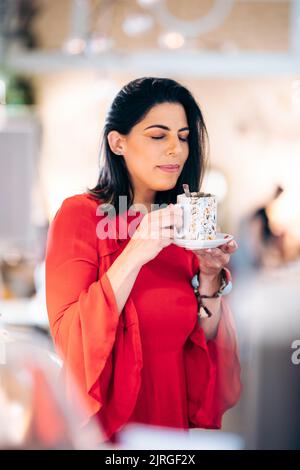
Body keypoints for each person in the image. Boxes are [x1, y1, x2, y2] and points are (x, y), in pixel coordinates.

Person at [45, 77, 242, 444]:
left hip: (168, 431)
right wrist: (136, 250)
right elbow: (72, 342)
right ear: (118, 142)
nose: (176, 150)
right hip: (102, 434)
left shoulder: (180, 226)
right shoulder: (80, 217)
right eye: (158, 135)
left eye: (183, 137)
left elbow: (202, 346)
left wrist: (210, 277)